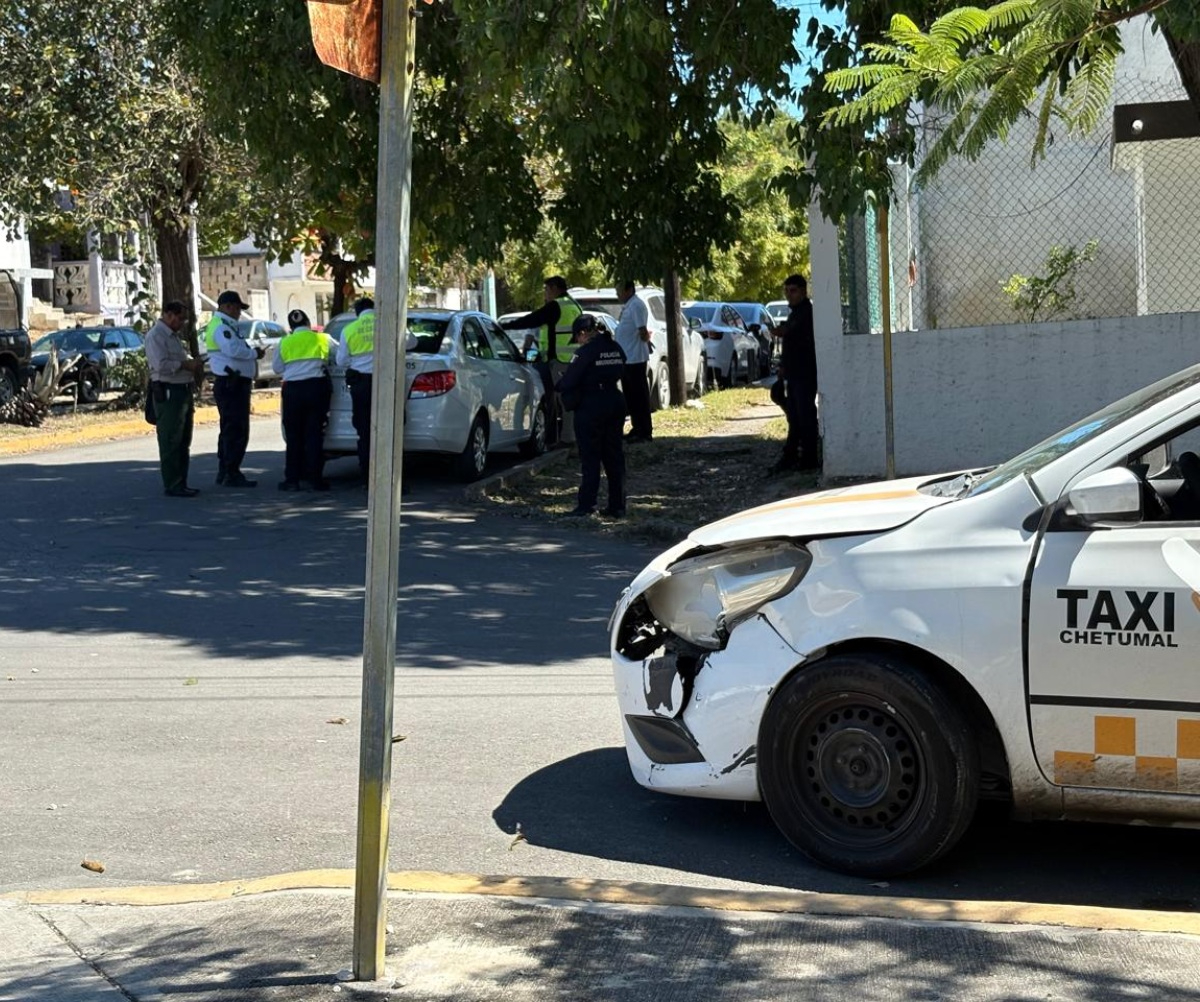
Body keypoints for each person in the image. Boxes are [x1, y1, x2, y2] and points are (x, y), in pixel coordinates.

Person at [555, 314, 627, 518]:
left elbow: (568, 381)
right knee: (614, 456)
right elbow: (623, 365)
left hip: (592, 405)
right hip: (614, 400)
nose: (577, 341)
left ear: (583, 333)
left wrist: (560, 385)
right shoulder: (614, 347)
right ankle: (617, 506)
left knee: (590, 457)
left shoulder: (585, 352)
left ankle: (587, 505)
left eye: (577, 337)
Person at [499, 276, 584, 446]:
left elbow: (532, 320)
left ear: (554, 288)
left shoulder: (555, 306)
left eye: (546, 289)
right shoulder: (574, 305)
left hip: (559, 360)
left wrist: (505, 327)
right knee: (566, 400)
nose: (545, 293)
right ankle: (562, 437)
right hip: (571, 359)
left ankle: (567, 439)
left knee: (562, 400)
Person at [144, 301, 204, 497]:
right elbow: (160, 365)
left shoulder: (174, 336)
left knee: (183, 439)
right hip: (168, 390)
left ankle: (182, 481)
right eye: (179, 318)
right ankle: (172, 483)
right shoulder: (156, 336)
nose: (181, 323)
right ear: (168, 315)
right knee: (171, 438)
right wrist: (185, 365)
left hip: (183, 389)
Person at [274, 309, 337, 492]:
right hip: (316, 389)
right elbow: (340, 356)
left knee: (293, 436)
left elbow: (277, 368)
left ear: (291, 327)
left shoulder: (284, 342)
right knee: (314, 435)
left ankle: (292, 480)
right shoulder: (322, 338)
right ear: (309, 323)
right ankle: (315, 480)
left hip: (293, 391)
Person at [204, 290, 261, 487]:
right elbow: (232, 350)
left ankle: (226, 470)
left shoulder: (225, 325)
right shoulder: (221, 327)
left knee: (230, 429)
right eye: (237, 308)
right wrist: (253, 353)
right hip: (231, 384)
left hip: (233, 383)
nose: (239, 313)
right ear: (227, 307)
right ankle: (231, 472)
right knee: (236, 429)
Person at [770, 274, 820, 473]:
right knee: (795, 416)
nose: (789, 295)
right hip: (793, 372)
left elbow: (789, 332)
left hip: (805, 372)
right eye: (786, 291)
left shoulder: (806, 312)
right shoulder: (795, 313)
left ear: (802, 291)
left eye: (793, 291)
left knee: (804, 415)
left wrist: (779, 331)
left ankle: (808, 458)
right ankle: (793, 456)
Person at [336, 297, 375, 478]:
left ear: (357, 313)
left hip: (361, 384)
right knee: (388, 428)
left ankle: (367, 475)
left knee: (365, 430)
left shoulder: (349, 329)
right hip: (386, 383)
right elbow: (411, 343)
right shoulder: (389, 323)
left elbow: (341, 360)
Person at [614, 281, 653, 443]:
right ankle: (637, 428)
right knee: (631, 396)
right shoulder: (629, 306)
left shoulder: (636, 305)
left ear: (629, 290)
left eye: (619, 291)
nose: (618, 295)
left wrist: (646, 340)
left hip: (635, 357)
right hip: (627, 357)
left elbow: (642, 331)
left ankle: (644, 431)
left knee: (639, 395)